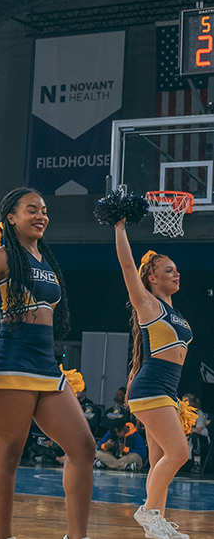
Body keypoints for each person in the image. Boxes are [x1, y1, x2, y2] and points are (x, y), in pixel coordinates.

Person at [0, 187, 94, 539]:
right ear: (10, 218)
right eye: (32, 210)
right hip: (11, 363)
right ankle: (4, 537)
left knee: (84, 447)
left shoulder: (45, 258)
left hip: (46, 366)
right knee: (10, 453)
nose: (41, 215)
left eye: (44, 210)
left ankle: (78, 536)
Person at [114, 221, 195, 539]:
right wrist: (120, 228)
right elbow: (126, 265)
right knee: (180, 453)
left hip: (167, 392)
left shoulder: (177, 313)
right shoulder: (148, 305)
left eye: (176, 271)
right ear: (152, 277)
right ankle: (148, 511)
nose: (176, 274)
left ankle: (156, 526)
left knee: (161, 458)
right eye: (169, 270)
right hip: (151, 389)